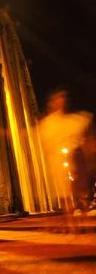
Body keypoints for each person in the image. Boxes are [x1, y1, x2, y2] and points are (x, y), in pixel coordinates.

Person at [37, 89, 91, 231]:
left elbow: (80, 131)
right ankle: (70, 222)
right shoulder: (49, 123)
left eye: (63, 99)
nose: (60, 102)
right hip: (58, 160)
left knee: (79, 189)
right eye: (57, 99)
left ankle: (82, 215)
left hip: (73, 157)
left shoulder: (72, 120)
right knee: (64, 192)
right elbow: (46, 141)